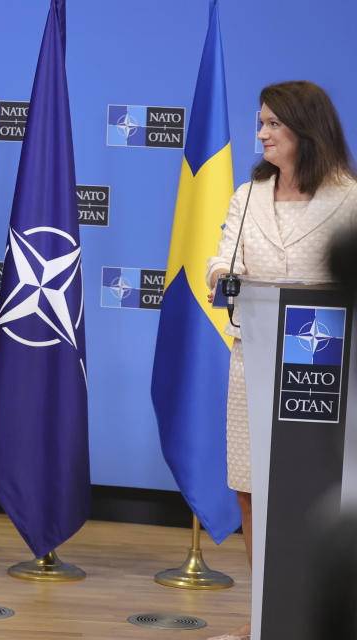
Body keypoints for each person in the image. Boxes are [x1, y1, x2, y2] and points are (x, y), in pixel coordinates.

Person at [206, 80, 357, 640]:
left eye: (273, 123)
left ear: (305, 129)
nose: (262, 133)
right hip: (254, 359)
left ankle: (317, 620)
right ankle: (267, 617)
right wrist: (222, 276)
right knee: (251, 488)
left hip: (322, 366)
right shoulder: (248, 195)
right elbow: (220, 263)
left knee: (313, 488)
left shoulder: (349, 197)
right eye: (260, 122)